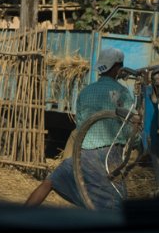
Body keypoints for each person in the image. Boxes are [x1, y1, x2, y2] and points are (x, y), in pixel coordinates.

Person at [25, 47, 133, 210]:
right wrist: (137, 144)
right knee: (115, 202)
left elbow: (80, 124)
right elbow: (130, 127)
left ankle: (19, 216)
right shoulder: (122, 93)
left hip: (82, 154)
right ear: (117, 68)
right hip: (109, 157)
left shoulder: (85, 92)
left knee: (50, 181)